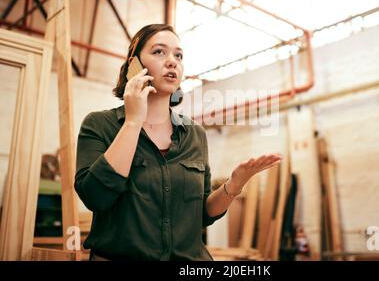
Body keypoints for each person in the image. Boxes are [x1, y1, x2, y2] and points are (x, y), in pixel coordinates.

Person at [75, 24, 282, 261]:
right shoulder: (100, 125)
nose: (172, 61)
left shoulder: (195, 135)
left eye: (178, 55)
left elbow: (203, 214)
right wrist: (133, 122)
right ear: (134, 65)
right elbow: (95, 197)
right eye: (159, 52)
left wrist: (233, 186)